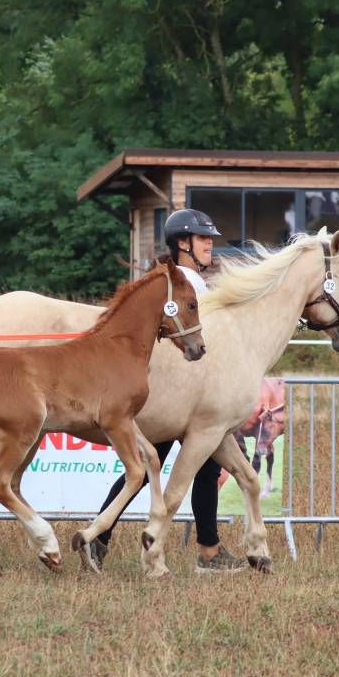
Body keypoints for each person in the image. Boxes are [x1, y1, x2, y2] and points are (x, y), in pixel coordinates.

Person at [82, 207, 247, 575]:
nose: (210, 245)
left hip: (180, 397)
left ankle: (104, 537)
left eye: (210, 239)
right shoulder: (187, 284)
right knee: (162, 468)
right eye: (204, 239)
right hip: (181, 398)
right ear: (183, 243)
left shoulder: (176, 280)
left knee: (149, 468)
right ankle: (207, 551)